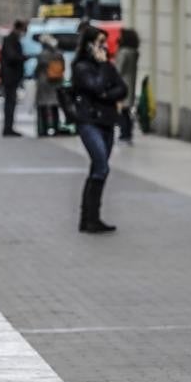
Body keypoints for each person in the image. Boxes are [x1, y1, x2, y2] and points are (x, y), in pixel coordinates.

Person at [71, 27, 127, 234]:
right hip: (89, 122)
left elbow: (122, 88)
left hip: (107, 122)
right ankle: (89, 217)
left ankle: (90, 219)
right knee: (101, 166)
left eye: (105, 41)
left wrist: (105, 91)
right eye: (99, 41)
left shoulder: (107, 66)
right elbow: (95, 87)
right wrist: (104, 87)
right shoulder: (81, 67)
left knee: (98, 168)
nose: (103, 45)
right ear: (88, 44)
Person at [0, 20, 26, 137]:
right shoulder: (10, 39)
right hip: (10, 76)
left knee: (11, 102)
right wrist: (23, 57)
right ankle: (8, 127)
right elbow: (12, 57)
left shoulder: (12, 39)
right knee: (10, 102)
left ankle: (9, 127)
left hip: (11, 76)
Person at [35, 34, 64, 137]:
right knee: (54, 106)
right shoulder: (59, 54)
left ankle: (43, 129)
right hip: (56, 82)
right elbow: (63, 67)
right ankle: (55, 128)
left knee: (42, 106)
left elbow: (37, 69)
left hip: (44, 82)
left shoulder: (42, 54)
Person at [115, 28, 141, 144]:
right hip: (130, 84)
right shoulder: (133, 52)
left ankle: (124, 134)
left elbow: (118, 69)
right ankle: (127, 133)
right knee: (126, 111)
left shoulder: (124, 52)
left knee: (122, 111)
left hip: (122, 84)